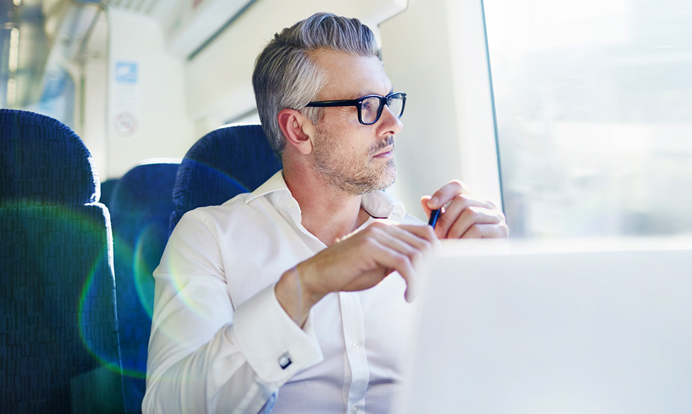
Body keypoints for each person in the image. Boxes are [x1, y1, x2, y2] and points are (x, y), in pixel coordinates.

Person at [143, 12, 508, 414]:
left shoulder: (427, 241)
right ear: (299, 130)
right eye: (368, 106)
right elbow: (168, 407)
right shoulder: (209, 237)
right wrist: (306, 284)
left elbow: (486, 387)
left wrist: (489, 283)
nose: (393, 124)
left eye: (390, 101)